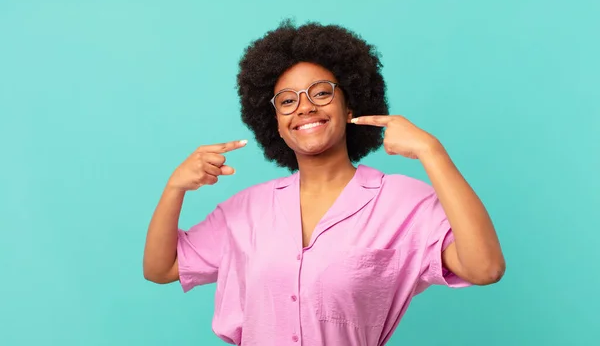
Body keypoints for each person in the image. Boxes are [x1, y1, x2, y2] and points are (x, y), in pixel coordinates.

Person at [143, 20, 505, 346]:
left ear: (349, 107)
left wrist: (432, 152)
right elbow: (161, 269)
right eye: (287, 101)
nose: (304, 107)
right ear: (276, 125)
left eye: (320, 92)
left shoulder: (404, 203)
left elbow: (485, 268)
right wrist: (175, 188)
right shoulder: (245, 210)